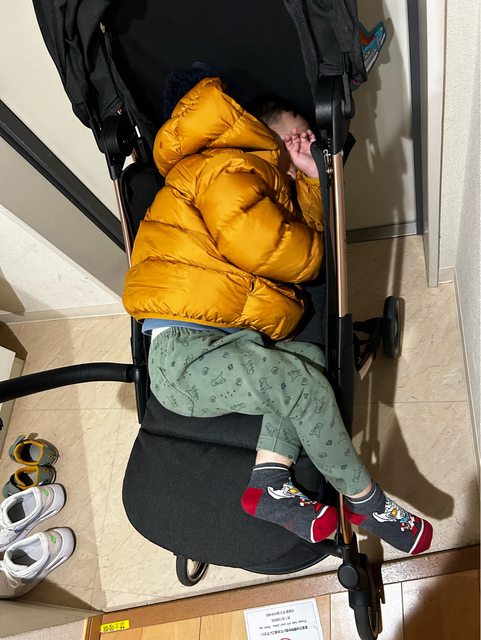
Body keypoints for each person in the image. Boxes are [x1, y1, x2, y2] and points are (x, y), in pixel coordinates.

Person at [123, 75, 433, 555]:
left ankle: (269, 481)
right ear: (260, 133)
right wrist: (311, 245)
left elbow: (301, 237)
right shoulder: (224, 168)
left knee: (308, 358)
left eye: (309, 137)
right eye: (295, 135)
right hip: (184, 358)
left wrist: (309, 178)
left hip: (216, 341)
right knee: (303, 386)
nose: (305, 143)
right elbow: (274, 249)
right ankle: (365, 500)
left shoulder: (260, 181)